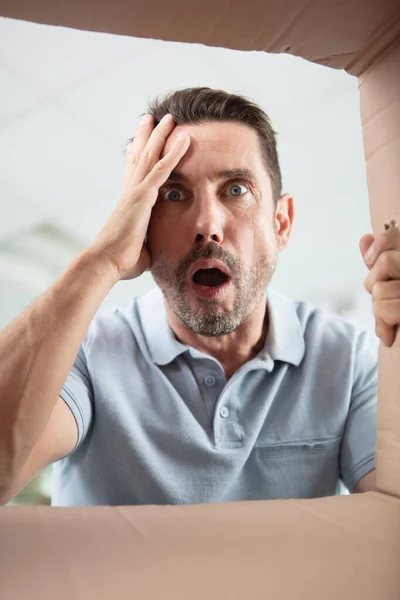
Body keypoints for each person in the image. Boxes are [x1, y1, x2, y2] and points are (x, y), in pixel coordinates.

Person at [1, 87, 399, 507]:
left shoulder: (349, 359)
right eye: (173, 194)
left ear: (281, 223)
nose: (207, 224)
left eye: (236, 190)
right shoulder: (87, 353)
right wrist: (103, 259)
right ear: (143, 225)